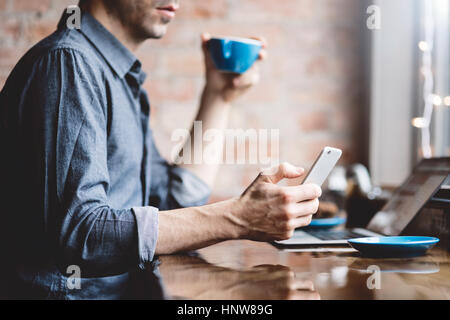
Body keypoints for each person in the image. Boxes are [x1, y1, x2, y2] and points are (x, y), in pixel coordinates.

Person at [0, 0, 321, 286]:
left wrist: (220, 96)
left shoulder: (117, 78)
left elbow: (170, 206)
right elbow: (82, 234)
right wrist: (238, 218)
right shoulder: (70, 64)